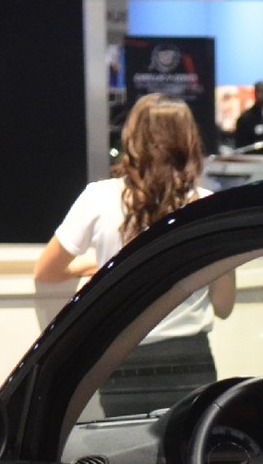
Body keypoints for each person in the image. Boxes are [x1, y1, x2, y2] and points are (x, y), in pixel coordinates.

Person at [33, 94, 233, 412]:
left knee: (125, 453)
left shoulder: (97, 198)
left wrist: (95, 267)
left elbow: (45, 271)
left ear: (132, 138)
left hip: (119, 358)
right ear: (189, 141)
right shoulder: (210, 207)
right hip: (189, 360)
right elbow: (223, 306)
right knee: (188, 452)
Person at [232, 81, 263, 148]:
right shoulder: (245, 118)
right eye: (258, 91)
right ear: (254, 93)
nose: (260, 94)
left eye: (262, 91)